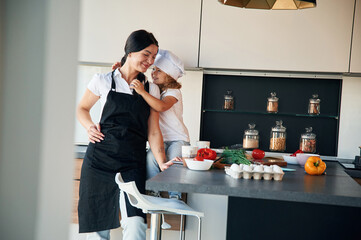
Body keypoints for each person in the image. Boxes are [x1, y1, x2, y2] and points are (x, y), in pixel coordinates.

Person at [76, 29, 173, 240]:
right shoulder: (102, 80)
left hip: (132, 161)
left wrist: (162, 162)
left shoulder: (150, 89)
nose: (150, 61)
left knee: (135, 222)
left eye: (154, 56)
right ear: (130, 52)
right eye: (146, 54)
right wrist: (89, 126)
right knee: (97, 227)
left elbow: (154, 130)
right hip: (99, 160)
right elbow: (82, 108)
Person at [112, 49, 190, 199]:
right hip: (158, 140)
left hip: (177, 139)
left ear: (169, 76)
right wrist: (120, 71)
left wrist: (142, 92)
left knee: (175, 165)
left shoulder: (173, 92)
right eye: (153, 69)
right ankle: (154, 194)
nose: (153, 73)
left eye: (158, 71)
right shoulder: (153, 91)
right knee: (150, 161)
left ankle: (175, 197)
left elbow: (161, 106)